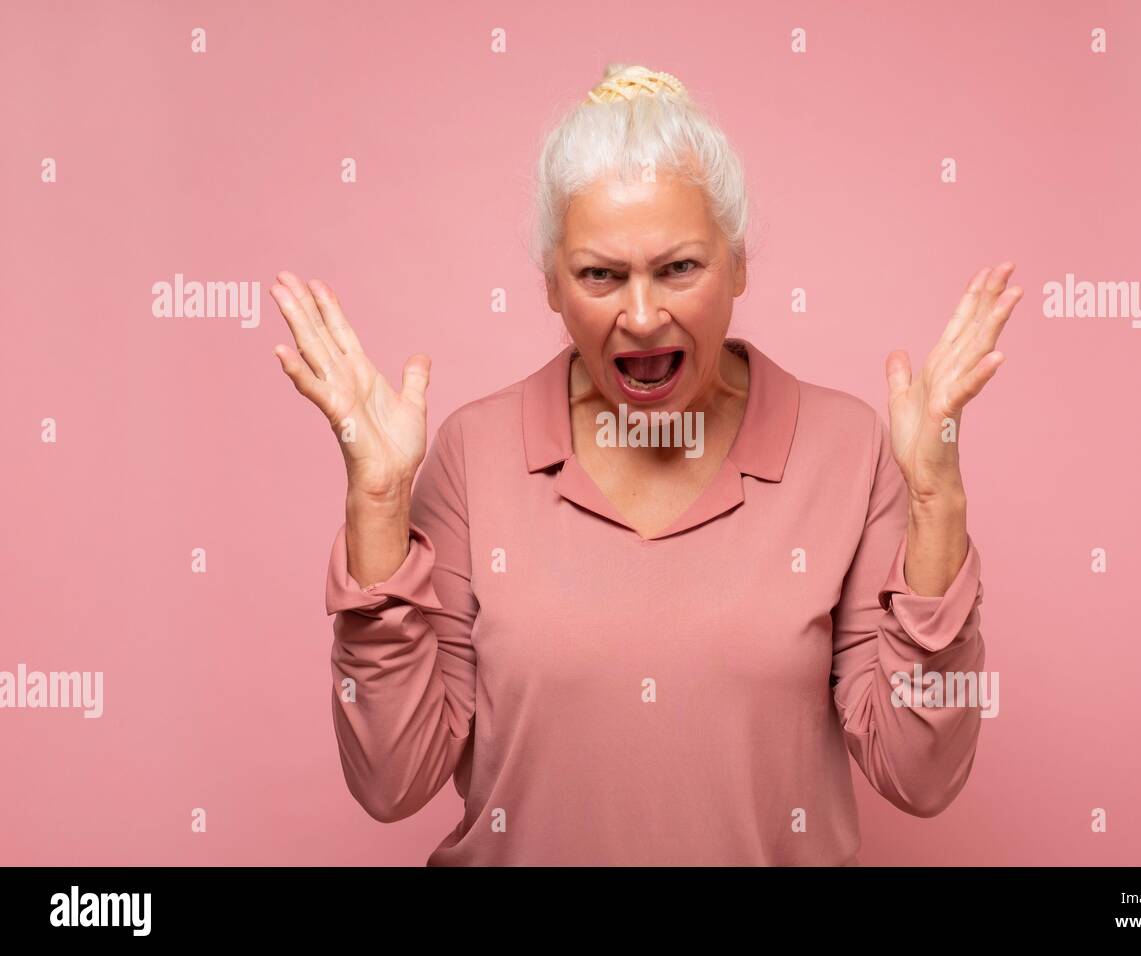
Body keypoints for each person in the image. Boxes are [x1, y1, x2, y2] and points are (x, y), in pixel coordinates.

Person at [270, 63, 1021, 866]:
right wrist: (379, 500)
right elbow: (392, 780)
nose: (639, 314)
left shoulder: (845, 447)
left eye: (678, 269)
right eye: (601, 275)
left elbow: (920, 775)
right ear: (553, 286)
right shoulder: (474, 454)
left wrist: (937, 499)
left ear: (737, 268)